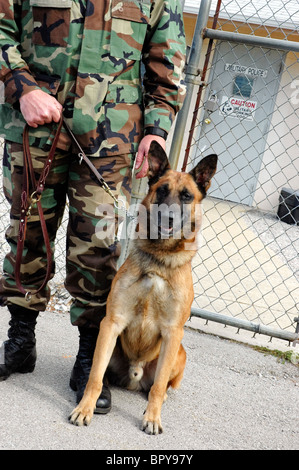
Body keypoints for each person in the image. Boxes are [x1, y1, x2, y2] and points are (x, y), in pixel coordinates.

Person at [0, 0, 186, 413]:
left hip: (111, 139)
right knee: (28, 233)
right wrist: (21, 86)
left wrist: (156, 131)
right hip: (35, 126)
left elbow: (166, 65)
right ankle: (20, 339)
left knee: (97, 249)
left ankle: (89, 360)